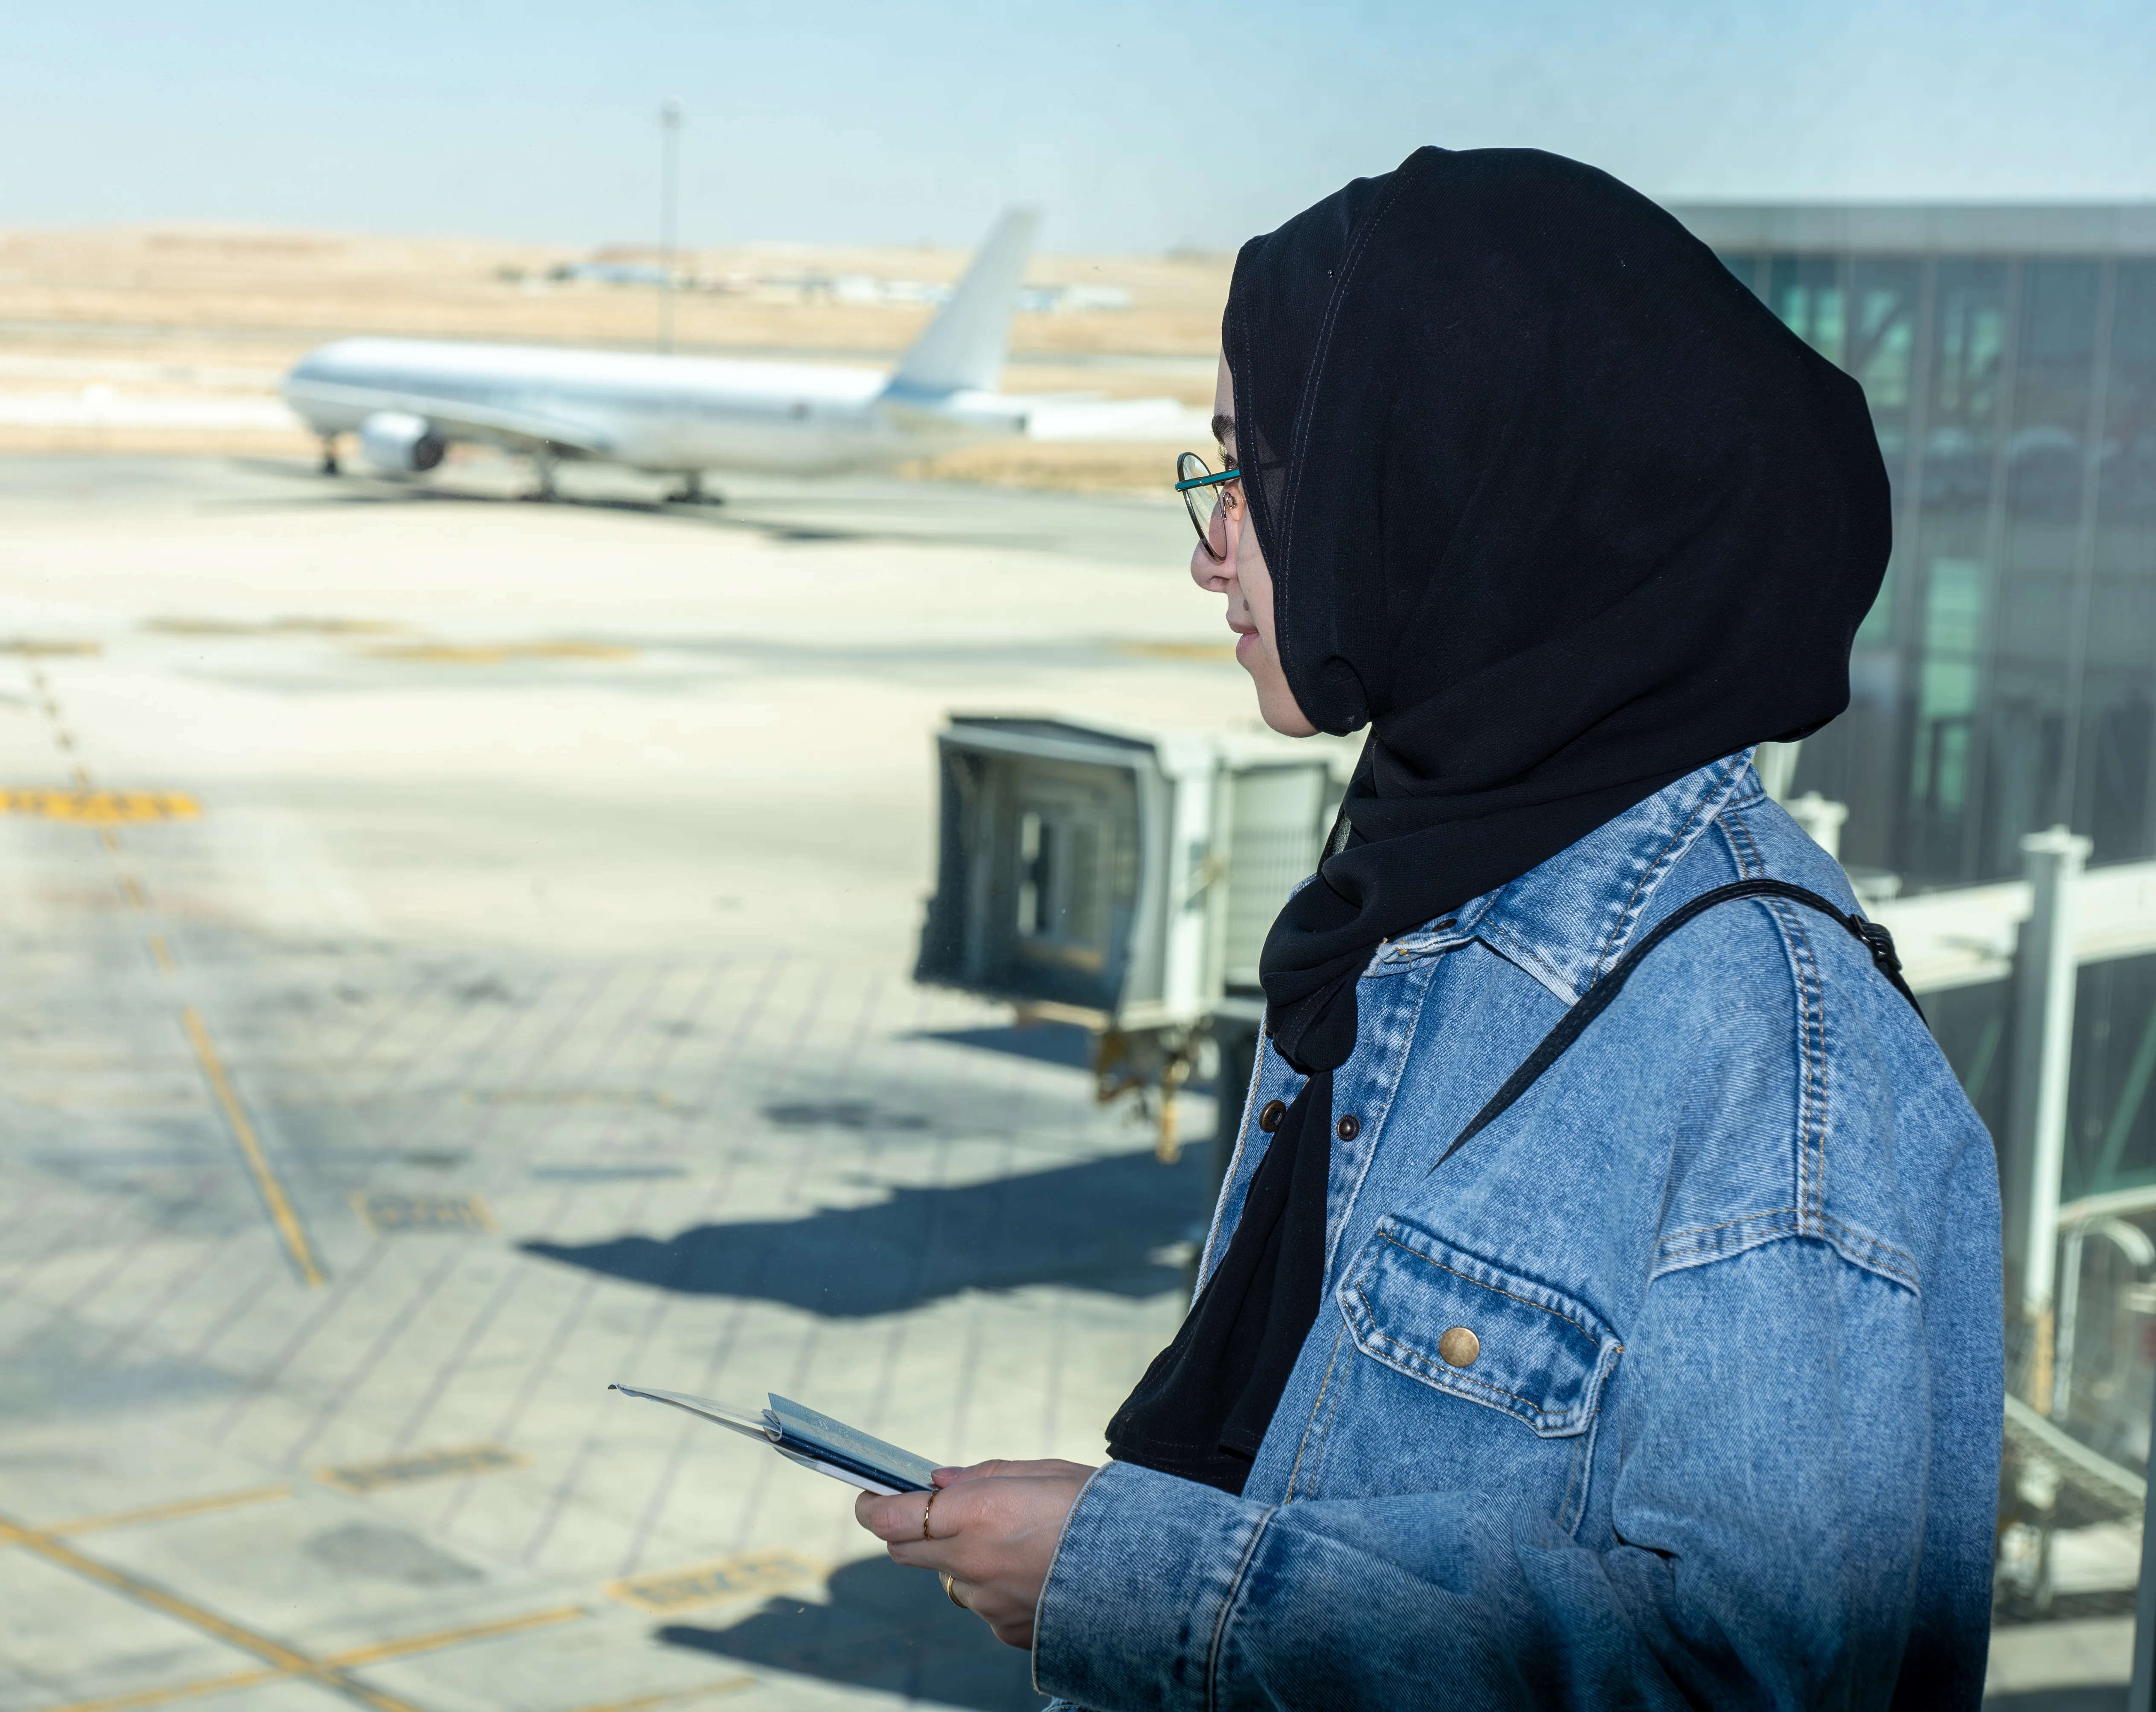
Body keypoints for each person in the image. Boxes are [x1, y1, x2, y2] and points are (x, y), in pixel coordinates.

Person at [853, 146, 2002, 1708]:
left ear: (1447, 480)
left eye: (1250, 472)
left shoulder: (1765, 1044)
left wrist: (1137, 1580)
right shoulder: (1407, 906)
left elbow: (1761, 1681)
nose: (1210, 546)